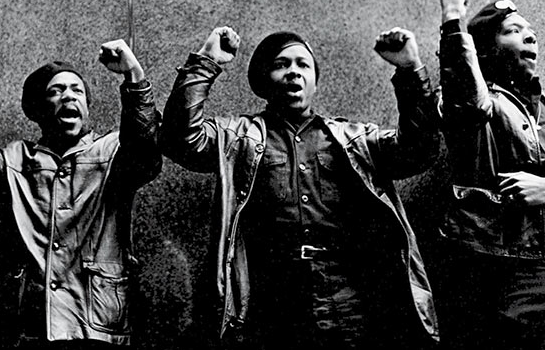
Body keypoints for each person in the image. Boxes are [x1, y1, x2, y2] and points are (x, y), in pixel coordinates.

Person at [160, 26, 440, 349]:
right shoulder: (240, 137)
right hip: (270, 307)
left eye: (303, 65)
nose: (293, 72)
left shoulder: (354, 140)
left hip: (351, 305)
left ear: (315, 82)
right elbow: (179, 139)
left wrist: (409, 69)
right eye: (282, 65)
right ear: (266, 82)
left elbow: (418, 150)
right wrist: (207, 61)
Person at [0, 38, 161, 349]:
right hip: (34, 324)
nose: (69, 96)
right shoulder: (19, 159)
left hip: (97, 326)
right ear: (38, 110)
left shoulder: (113, 152)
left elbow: (145, 150)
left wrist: (134, 76)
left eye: (77, 90)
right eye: (56, 91)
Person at [437, 0, 545, 349]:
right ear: (486, 49)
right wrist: (454, 21)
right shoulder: (484, 105)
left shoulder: (543, 108)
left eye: (529, 29)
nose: (529, 35)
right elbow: (466, 95)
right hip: (505, 266)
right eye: (513, 31)